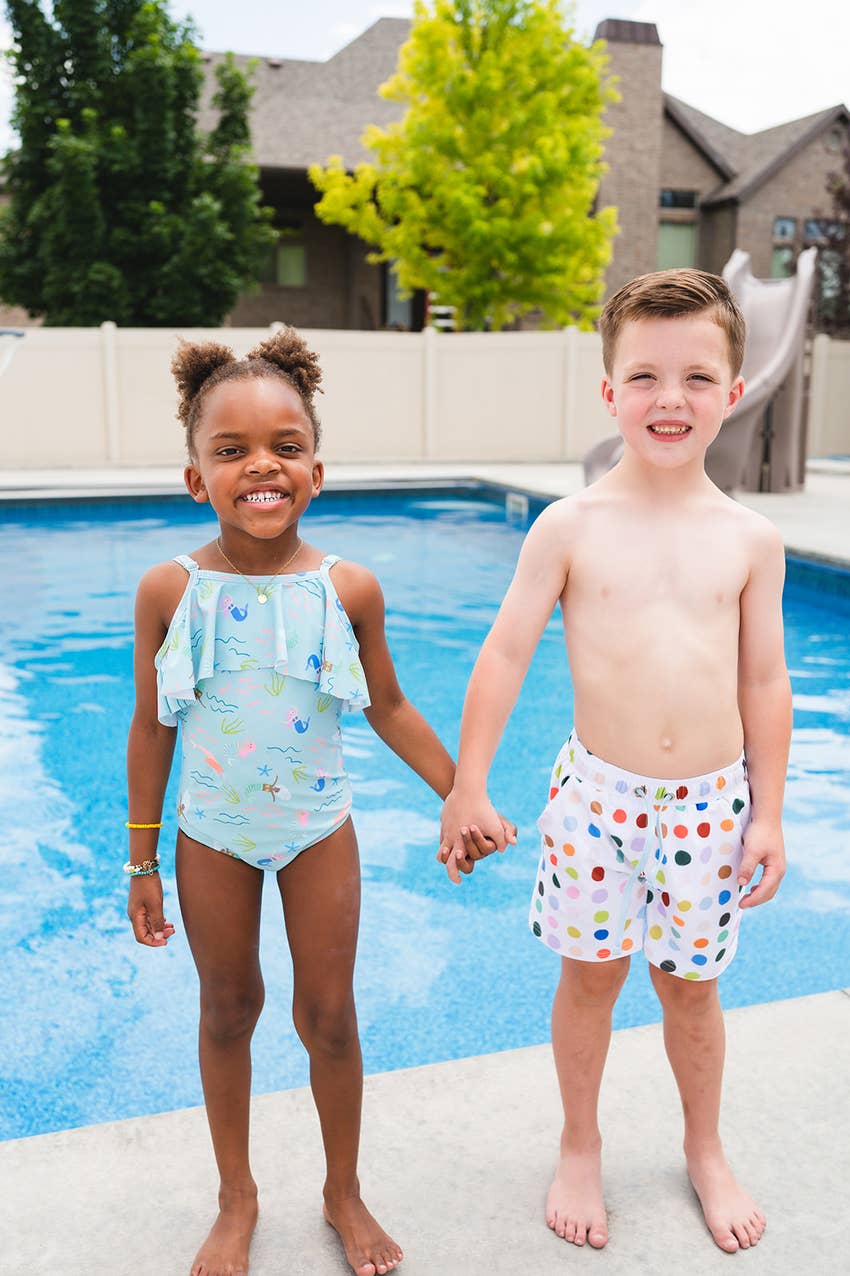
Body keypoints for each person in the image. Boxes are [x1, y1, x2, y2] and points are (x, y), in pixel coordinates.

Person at [125, 327, 513, 1276]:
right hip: (210, 832)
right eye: (232, 451)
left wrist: (461, 791)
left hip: (315, 832)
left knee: (329, 1016)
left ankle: (342, 1189)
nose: (262, 466)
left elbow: (389, 706)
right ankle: (237, 1196)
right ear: (194, 478)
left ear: (316, 468)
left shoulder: (349, 589)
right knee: (227, 1007)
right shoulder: (169, 591)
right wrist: (141, 861)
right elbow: (151, 729)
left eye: (284, 447)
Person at [439, 269, 790, 1255]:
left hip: (709, 806)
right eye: (643, 376)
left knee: (690, 988)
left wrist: (765, 812)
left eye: (694, 377)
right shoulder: (570, 526)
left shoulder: (751, 540)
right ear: (608, 393)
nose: (667, 399)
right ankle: (580, 1141)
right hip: (597, 798)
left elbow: (764, 681)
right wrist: (469, 781)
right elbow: (504, 651)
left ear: (732, 389)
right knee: (589, 977)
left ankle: (704, 1146)